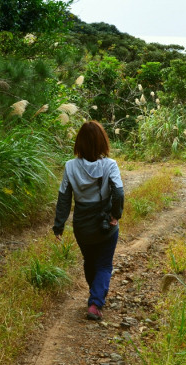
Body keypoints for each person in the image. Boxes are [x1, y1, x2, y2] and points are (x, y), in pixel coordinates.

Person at [53, 120, 124, 321]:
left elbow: (64, 198)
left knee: (90, 260)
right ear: (103, 142)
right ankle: (95, 302)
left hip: (82, 225)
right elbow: (118, 193)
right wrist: (115, 215)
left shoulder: (70, 167)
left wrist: (59, 225)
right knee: (104, 264)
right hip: (105, 224)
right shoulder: (110, 165)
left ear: (79, 143)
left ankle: (95, 295)